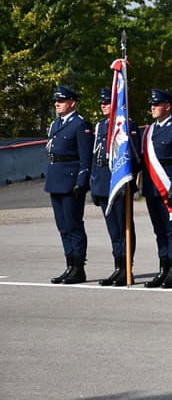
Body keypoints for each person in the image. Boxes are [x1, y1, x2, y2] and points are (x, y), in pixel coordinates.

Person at [90, 87, 141, 286]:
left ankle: (127, 269)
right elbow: (95, 157)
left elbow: (135, 157)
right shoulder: (100, 126)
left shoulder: (127, 124)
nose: (103, 105)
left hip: (119, 182)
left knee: (123, 228)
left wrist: (128, 180)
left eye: (107, 102)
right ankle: (118, 266)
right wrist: (94, 184)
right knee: (113, 229)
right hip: (104, 182)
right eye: (101, 103)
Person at [141, 88, 172, 289]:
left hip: (168, 188)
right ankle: (163, 269)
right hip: (152, 189)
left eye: (157, 104)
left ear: (167, 106)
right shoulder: (149, 131)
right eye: (152, 105)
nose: (152, 107)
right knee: (159, 231)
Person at [46, 85, 94, 284]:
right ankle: (70, 265)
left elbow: (86, 158)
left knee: (74, 225)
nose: (57, 104)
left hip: (71, 180)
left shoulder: (80, 125)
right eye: (56, 101)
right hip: (56, 178)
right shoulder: (55, 124)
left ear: (72, 103)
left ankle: (78, 268)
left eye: (61, 101)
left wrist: (81, 182)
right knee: (63, 227)